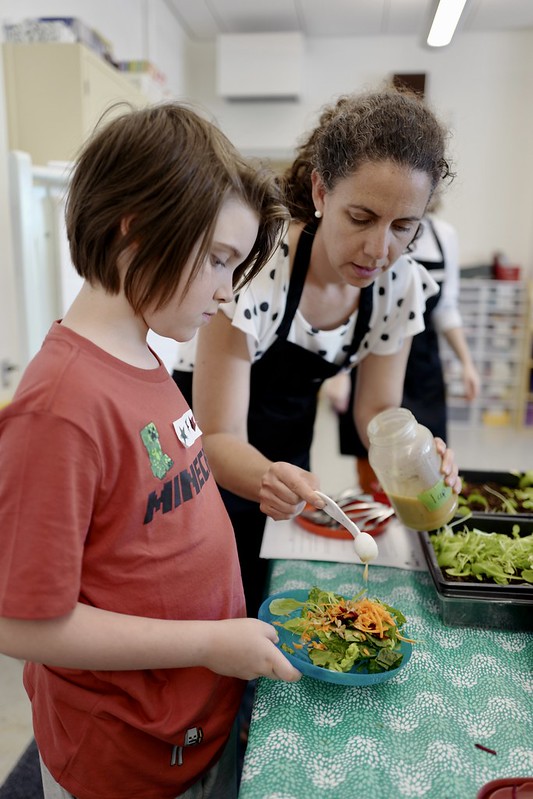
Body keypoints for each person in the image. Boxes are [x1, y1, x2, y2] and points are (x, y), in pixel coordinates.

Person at [0, 102, 302, 799]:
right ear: (135, 227)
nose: (228, 290)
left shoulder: (142, 352)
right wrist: (204, 643)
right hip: (119, 754)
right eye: (219, 260)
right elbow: (23, 624)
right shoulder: (61, 407)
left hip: (185, 721)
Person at [172, 88, 462, 617]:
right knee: (218, 603)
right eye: (361, 217)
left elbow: (376, 410)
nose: (380, 250)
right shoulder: (257, 273)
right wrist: (268, 477)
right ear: (322, 192)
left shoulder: (399, 285)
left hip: (288, 448)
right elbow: (217, 436)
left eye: (404, 227)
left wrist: (417, 457)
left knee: (277, 603)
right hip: (205, 455)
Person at [329, 206, 480, 493]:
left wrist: (467, 363)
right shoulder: (370, 245)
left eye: (403, 226)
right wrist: (341, 371)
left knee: (428, 468)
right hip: (369, 359)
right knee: (376, 461)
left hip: (423, 369)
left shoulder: (444, 235)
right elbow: (347, 304)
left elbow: (446, 308)